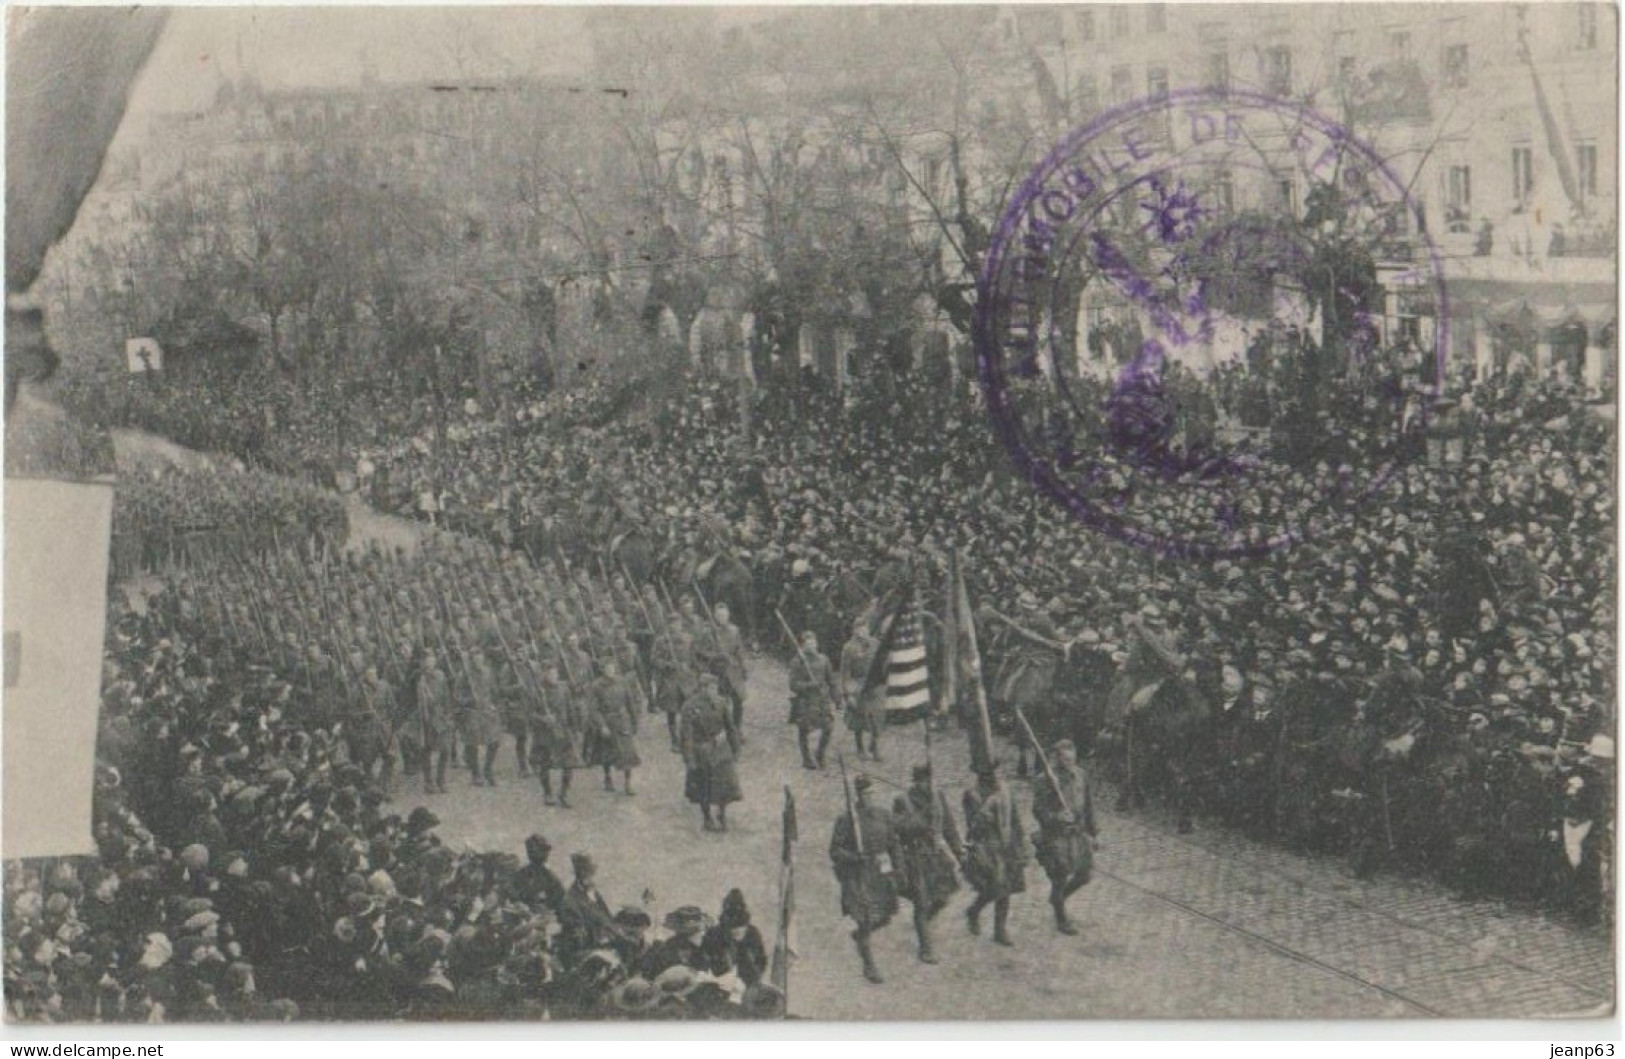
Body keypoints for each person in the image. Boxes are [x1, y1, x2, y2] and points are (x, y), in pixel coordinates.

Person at [829, 773, 902, 984]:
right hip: (857, 875)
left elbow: (893, 843)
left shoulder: (883, 815)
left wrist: (898, 869)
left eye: (871, 793)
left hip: (879, 872)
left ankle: (861, 935)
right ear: (858, 796)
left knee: (885, 915)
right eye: (864, 794)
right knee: (866, 916)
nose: (868, 797)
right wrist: (853, 857)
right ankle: (869, 965)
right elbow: (835, 850)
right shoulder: (846, 820)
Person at [891, 763, 963, 963]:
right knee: (921, 902)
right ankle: (926, 948)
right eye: (924, 781)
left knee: (942, 898)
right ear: (917, 781)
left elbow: (949, 826)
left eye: (931, 781)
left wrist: (959, 852)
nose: (928, 785)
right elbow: (897, 829)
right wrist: (922, 817)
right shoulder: (902, 801)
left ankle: (922, 924)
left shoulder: (938, 798)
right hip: (915, 858)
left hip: (936, 856)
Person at [1030, 738, 1098, 936]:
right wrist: (1056, 816)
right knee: (1059, 877)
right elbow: (1038, 810)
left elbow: (1089, 806)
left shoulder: (1081, 776)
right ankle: (1061, 918)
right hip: (1056, 835)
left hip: (1077, 832)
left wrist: (1094, 833)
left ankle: (1057, 899)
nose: (1070, 764)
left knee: (1085, 874)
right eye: (1065, 760)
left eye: (1072, 760)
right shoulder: (1045, 780)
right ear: (1057, 759)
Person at [961, 761, 1025, 947]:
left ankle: (999, 929)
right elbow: (971, 825)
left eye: (996, 772)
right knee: (992, 887)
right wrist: (984, 814)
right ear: (981, 775)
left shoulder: (1005, 791)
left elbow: (1015, 818)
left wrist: (1020, 842)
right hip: (985, 845)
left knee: (1005, 887)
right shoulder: (971, 795)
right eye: (989, 773)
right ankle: (974, 910)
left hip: (1005, 842)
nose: (995, 776)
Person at [679, 673, 743, 832]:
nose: (714, 690)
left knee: (725, 785)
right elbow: (686, 735)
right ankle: (707, 817)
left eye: (715, 687)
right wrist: (689, 758)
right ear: (702, 688)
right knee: (703, 787)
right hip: (701, 751)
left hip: (721, 750)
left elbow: (730, 728)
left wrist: (735, 749)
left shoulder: (721, 703)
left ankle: (722, 813)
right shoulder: (690, 706)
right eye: (711, 688)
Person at [533, 664, 583, 808]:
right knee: (545, 765)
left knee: (569, 764)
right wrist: (543, 719)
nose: (553, 677)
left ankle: (563, 793)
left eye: (555, 674)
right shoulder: (538, 691)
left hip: (563, 731)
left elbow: (570, 709)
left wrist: (575, 729)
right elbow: (530, 713)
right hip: (545, 734)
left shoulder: (564, 689)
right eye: (550, 674)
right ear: (544, 675)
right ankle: (547, 792)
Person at [589, 658, 641, 796]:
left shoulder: (622, 682)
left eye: (612, 668)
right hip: (608, 721)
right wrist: (602, 726)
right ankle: (608, 778)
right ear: (602, 670)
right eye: (607, 668)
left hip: (622, 721)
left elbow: (630, 702)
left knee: (628, 753)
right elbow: (594, 709)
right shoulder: (596, 686)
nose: (610, 671)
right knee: (607, 753)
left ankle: (627, 783)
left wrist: (634, 722)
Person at [788, 630, 837, 770]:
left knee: (828, 727)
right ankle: (806, 758)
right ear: (803, 646)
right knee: (803, 730)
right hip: (805, 701)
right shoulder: (797, 662)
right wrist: (810, 685)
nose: (811, 646)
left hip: (822, 700)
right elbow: (793, 684)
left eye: (813, 643)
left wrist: (836, 698)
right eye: (808, 644)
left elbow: (831, 680)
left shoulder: (823, 659)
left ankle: (820, 754)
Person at [701, 889, 768, 988]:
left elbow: (761, 961)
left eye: (741, 929)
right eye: (732, 930)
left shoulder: (752, 934)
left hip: (749, 984)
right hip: (720, 985)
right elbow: (707, 964)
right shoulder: (714, 935)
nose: (736, 933)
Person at [841, 618, 884, 761]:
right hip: (858, 685)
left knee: (877, 718)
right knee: (859, 719)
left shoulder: (876, 644)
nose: (863, 631)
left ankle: (875, 746)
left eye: (865, 628)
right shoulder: (848, 648)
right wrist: (849, 693)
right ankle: (860, 748)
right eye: (860, 629)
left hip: (875, 684)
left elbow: (882, 663)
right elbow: (845, 672)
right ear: (855, 631)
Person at [506, 834, 566, 916]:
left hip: (547, 920)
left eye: (545, 850)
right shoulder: (519, 876)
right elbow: (512, 898)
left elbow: (561, 900)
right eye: (542, 850)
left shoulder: (550, 877)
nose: (546, 854)